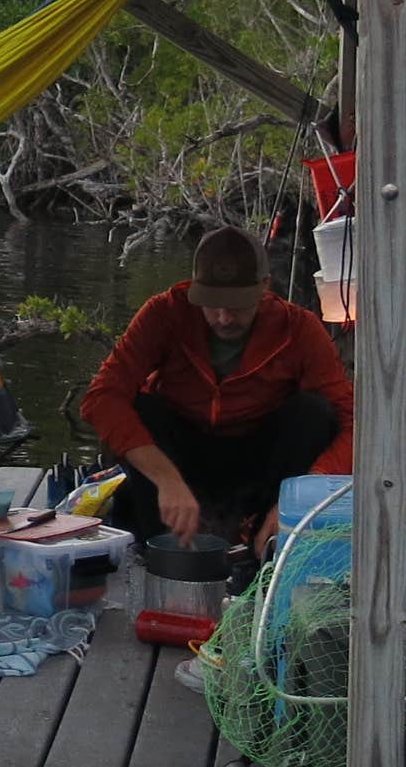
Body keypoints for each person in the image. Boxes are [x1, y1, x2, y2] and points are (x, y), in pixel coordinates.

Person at [78, 224, 352, 554]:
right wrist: (167, 480)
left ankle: (267, 538)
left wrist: (300, 499)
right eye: (212, 303)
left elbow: (352, 421)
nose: (223, 318)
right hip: (182, 457)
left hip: (257, 463)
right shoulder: (164, 312)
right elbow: (101, 398)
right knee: (138, 408)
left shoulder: (300, 328)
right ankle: (163, 544)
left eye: (237, 305)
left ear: (264, 287)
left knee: (314, 413)